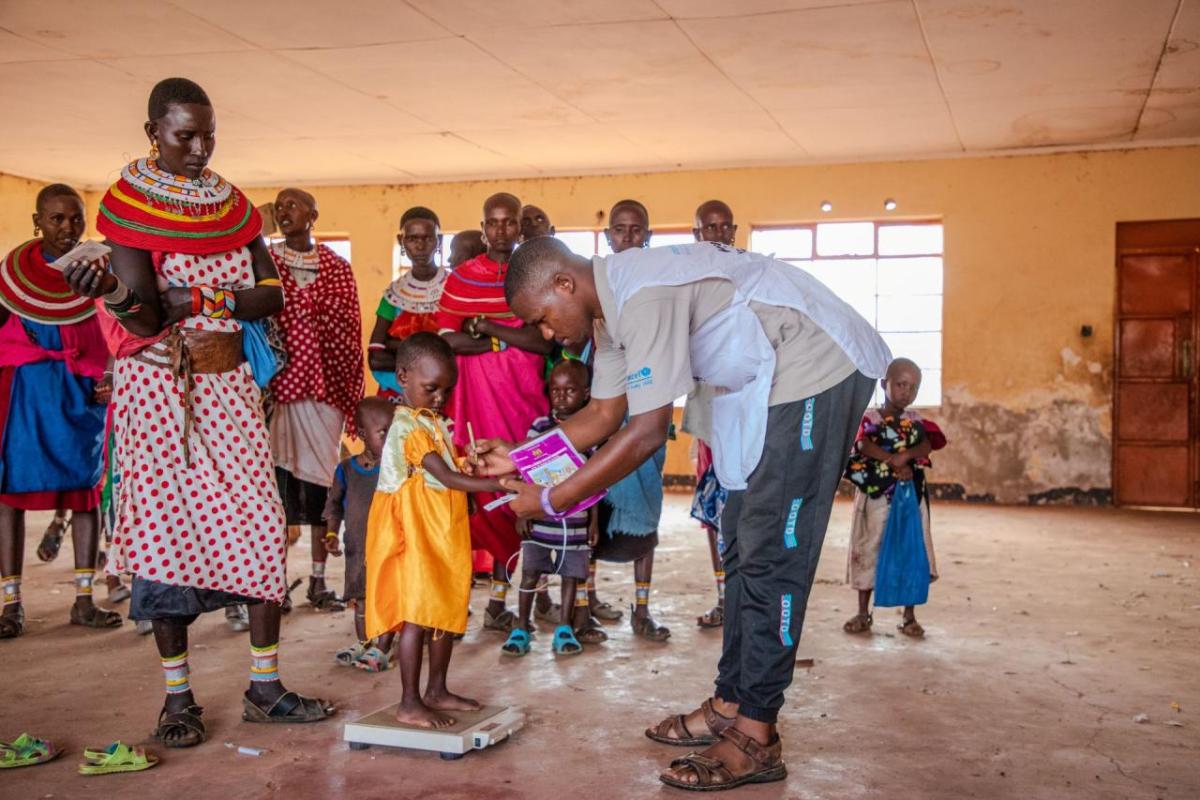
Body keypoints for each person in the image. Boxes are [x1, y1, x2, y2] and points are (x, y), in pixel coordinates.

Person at [478, 236, 891, 790]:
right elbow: (602, 416)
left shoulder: (642, 296)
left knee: (774, 552)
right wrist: (523, 459)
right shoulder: (609, 315)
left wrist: (552, 498)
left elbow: (646, 432)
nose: (548, 335)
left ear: (564, 284)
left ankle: (756, 734)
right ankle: (730, 702)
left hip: (818, 365)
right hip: (764, 380)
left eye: (544, 320)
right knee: (742, 540)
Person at [69, 77, 332, 746]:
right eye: (184, 134)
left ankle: (266, 689)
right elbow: (145, 314)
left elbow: (270, 295)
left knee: (259, 526)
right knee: (168, 542)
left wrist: (195, 298)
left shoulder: (232, 206)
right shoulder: (128, 207)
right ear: (153, 132)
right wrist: (119, 294)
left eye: (207, 134)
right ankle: (177, 700)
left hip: (230, 389)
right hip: (159, 396)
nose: (198, 147)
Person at [0, 184, 123, 638]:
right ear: (38, 223)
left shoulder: (101, 271)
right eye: (56, 219)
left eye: (75, 218)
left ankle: (84, 600)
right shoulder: (12, 275)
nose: (67, 227)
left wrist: (110, 376)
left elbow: (116, 330)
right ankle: (11, 605)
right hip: (27, 394)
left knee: (85, 494)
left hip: (81, 395)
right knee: (11, 493)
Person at [365, 333, 504, 728]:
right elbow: (443, 475)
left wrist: (469, 462)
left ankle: (437, 690)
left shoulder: (434, 422)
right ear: (403, 376)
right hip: (413, 533)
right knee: (416, 615)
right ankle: (409, 702)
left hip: (441, 530)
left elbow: (448, 472)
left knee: (443, 610)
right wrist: (496, 484)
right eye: (432, 388)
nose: (440, 397)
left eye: (447, 390)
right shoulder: (408, 426)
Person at [435, 192, 553, 633]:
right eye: (493, 223)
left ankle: (530, 596)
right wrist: (506, 339)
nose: (502, 230)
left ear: (521, 226)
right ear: (483, 227)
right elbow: (447, 340)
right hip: (476, 399)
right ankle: (488, 598)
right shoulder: (463, 278)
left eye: (510, 222)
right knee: (483, 487)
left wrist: (484, 328)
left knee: (527, 485)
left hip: (524, 395)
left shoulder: (535, 274)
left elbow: (543, 342)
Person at [268, 188, 364, 611]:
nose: (283, 212)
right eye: (279, 206)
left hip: (326, 390)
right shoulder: (265, 263)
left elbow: (350, 328)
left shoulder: (338, 269)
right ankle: (274, 580)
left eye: (292, 204)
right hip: (278, 390)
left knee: (322, 485)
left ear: (314, 214)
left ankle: (320, 582)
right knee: (276, 487)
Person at [590, 199, 670, 641]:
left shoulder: (659, 281)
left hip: (648, 411)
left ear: (649, 236)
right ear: (607, 239)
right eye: (619, 230)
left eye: (636, 230)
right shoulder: (597, 288)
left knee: (647, 515)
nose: (628, 238)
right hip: (607, 408)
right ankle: (588, 602)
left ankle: (642, 609)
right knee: (593, 515)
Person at [501, 360, 597, 657]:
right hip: (539, 517)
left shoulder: (591, 432)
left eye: (570, 390)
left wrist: (593, 521)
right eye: (555, 390)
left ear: (586, 393)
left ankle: (564, 628)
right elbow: (524, 470)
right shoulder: (539, 428)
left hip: (576, 519)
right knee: (530, 572)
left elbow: (595, 481)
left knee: (571, 575)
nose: (561, 396)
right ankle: (520, 627)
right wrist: (522, 514)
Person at [844, 358, 944, 638]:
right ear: (884, 384)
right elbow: (863, 444)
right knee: (869, 545)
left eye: (913, 387)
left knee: (911, 548)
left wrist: (906, 457)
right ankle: (863, 613)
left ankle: (909, 616)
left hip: (909, 496)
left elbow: (926, 444)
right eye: (900, 384)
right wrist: (891, 459)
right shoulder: (871, 420)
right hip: (875, 497)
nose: (906, 392)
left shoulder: (917, 423)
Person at [686, 199, 738, 629]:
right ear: (696, 234)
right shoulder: (685, 279)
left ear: (734, 231)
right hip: (708, 413)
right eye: (710, 228)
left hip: (747, 409)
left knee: (748, 507)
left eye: (725, 228)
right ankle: (725, 597)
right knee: (714, 511)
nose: (718, 235)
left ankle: (744, 599)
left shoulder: (751, 273)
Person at [326, 396, 396, 671]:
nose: (391, 439)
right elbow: (333, 505)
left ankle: (383, 650)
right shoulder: (345, 470)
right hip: (357, 549)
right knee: (362, 600)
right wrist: (331, 534)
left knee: (390, 599)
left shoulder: (396, 471)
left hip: (389, 549)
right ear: (362, 434)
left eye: (394, 432)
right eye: (384, 433)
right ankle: (365, 643)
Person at [368, 207, 448, 401]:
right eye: (412, 239)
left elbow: (457, 352)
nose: (420, 246)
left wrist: (397, 346)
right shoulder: (393, 295)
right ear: (401, 242)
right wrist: (429, 356)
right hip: (398, 395)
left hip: (444, 394)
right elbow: (376, 358)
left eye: (427, 238)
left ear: (439, 241)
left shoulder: (454, 289)